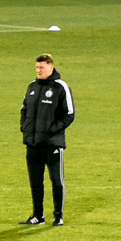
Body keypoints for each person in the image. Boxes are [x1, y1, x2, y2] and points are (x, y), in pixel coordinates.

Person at [18, 53, 74, 226]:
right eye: (37, 67)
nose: (39, 70)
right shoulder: (32, 86)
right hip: (33, 143)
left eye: (42, 67)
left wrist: (51, 131)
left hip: (52, 144)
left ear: (51, 67)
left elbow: (69, 114)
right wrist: (25, 129)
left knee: (56, 181)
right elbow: (24, 110)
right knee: (35, 182)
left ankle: (58, 216)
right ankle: (38, 216)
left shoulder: (60, 87)